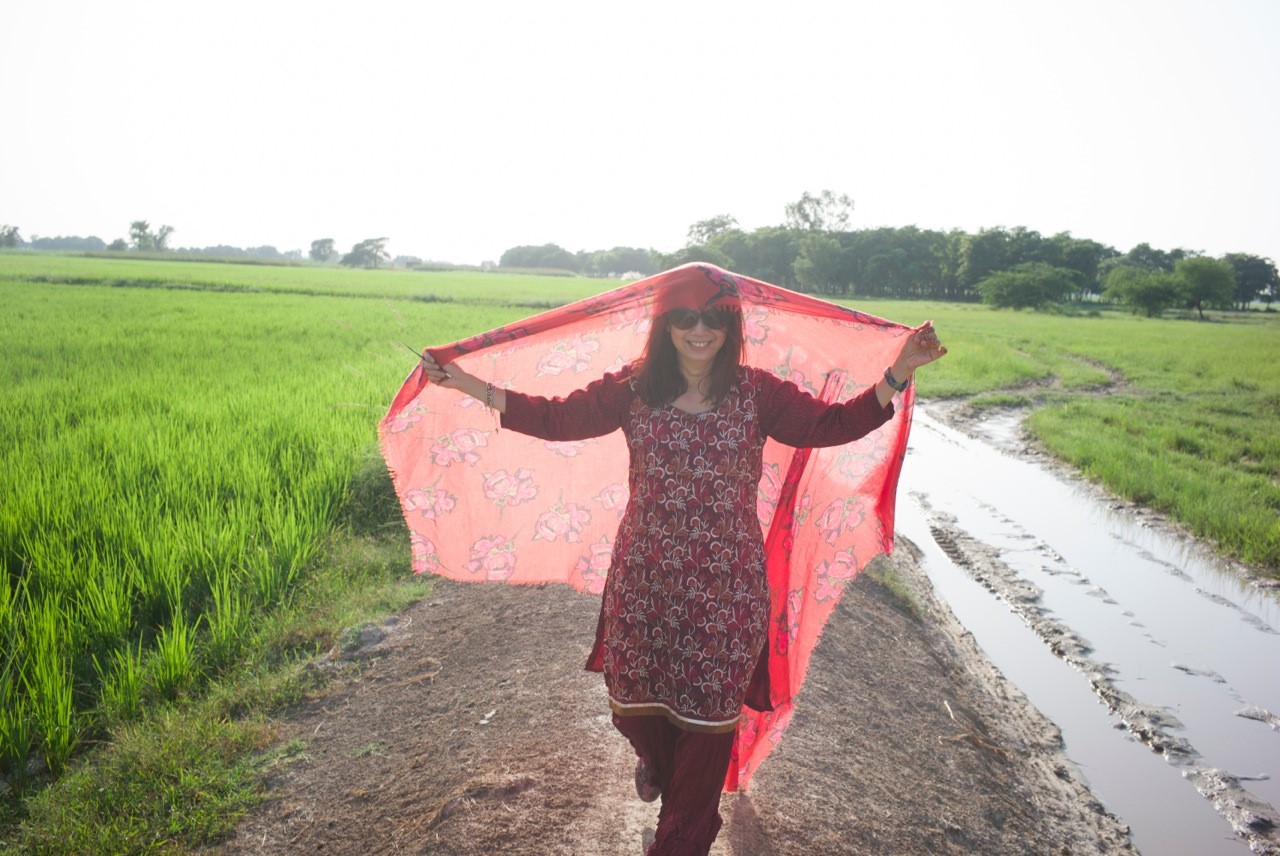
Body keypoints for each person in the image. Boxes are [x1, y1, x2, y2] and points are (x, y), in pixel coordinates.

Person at [413, 274, 947, 856]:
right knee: (642, 705)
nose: (700, 330)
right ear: (665, 324)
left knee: (710, 717)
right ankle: (657, 765)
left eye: (714, 318)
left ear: (731, 326)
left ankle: (681, 838)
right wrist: (467, 384)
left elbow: (830, 426)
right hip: (645, 579)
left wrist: (898, 370)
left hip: (728, 588)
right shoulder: (633, 390)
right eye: (686, 317)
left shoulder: (756, 393)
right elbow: (556, 419)